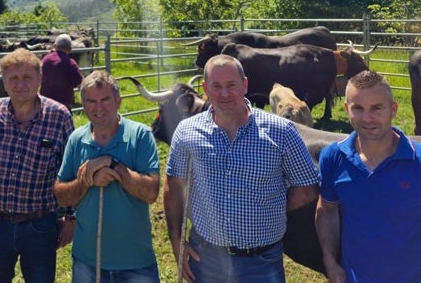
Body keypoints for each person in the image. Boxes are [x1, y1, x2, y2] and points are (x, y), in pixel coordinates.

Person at [164, 54, 320, 283]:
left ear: (245, 85)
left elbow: (307, 187)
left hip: (261, 260)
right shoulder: (187, 132)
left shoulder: (281, 130)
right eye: (216, 86)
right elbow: (173, 185)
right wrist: (177, 240)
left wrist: (271, 207)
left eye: (231, 85)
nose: (224, 93)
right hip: (206, 257)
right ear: (205, 88)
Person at [0, 47, 75, 283]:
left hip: (40, 223)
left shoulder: (59, 116)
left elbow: (70, 168)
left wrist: (71, 218)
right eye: (13, 78)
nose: (20, 85)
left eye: (27, 77)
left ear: (40, 79)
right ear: (4, 82)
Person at [54, 70, 161, 283]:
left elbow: (151, 193)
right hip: (88, 260)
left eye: (105, 100)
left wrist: (114, 166)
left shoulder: (140, 135)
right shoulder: (77, 139)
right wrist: (86, 180)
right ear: (83, 104)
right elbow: (62, 195)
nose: (98, 107)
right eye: (91, 101)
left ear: (119, 101)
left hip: (135, 261)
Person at [315, 70, 421, 283]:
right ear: (347, 109)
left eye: (376, 108)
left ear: (393, 109)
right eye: (358, 108)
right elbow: (327, 210)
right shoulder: (333, 157)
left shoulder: (417, 160)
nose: (367, 118)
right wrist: (329, 261)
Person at [40, 33, 83, 111]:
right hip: (63, 107)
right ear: (70, 49)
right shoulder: (70, 63)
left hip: (44, 105)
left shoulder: (45, 59)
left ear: (55, 46)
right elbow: (80, 84)